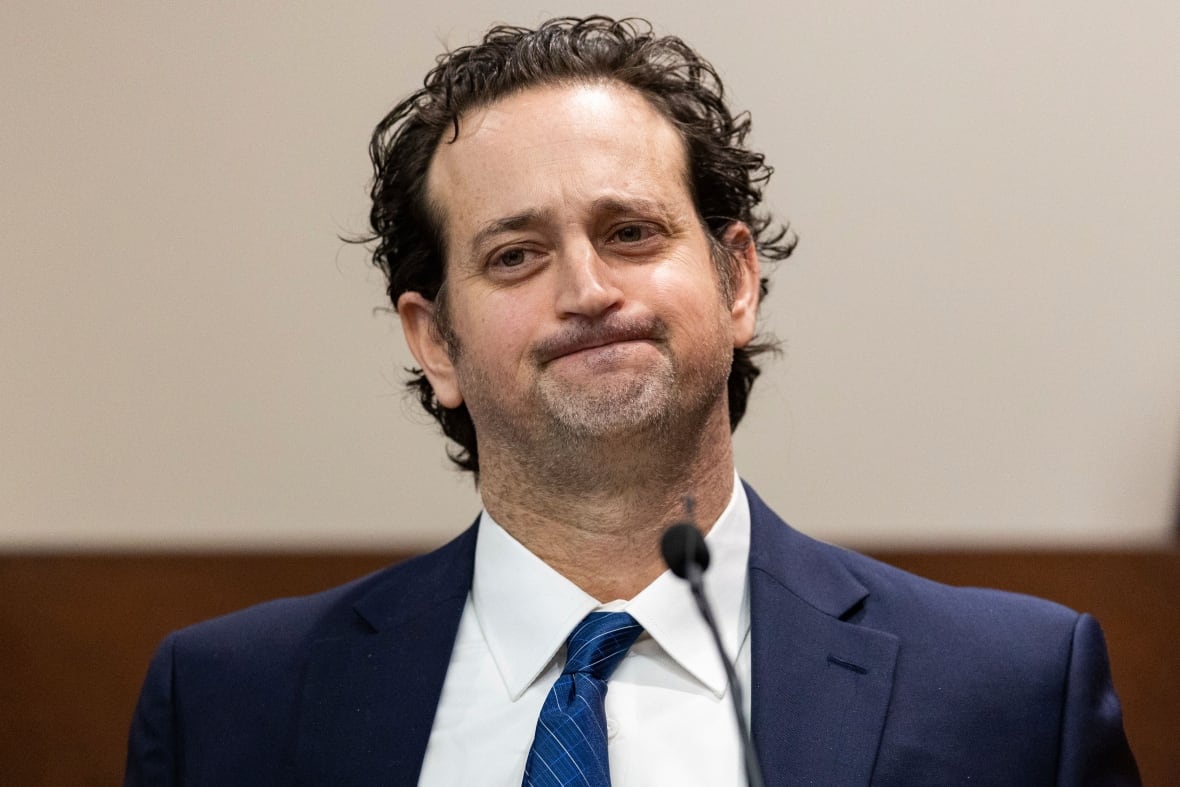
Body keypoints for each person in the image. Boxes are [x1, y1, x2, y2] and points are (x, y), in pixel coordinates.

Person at [124, 16, 1139, 786]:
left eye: (631, 234)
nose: (587, 291)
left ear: (735, 280)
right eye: (515, 254)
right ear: (434, 340)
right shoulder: (230, 705)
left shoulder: (1011, 694)